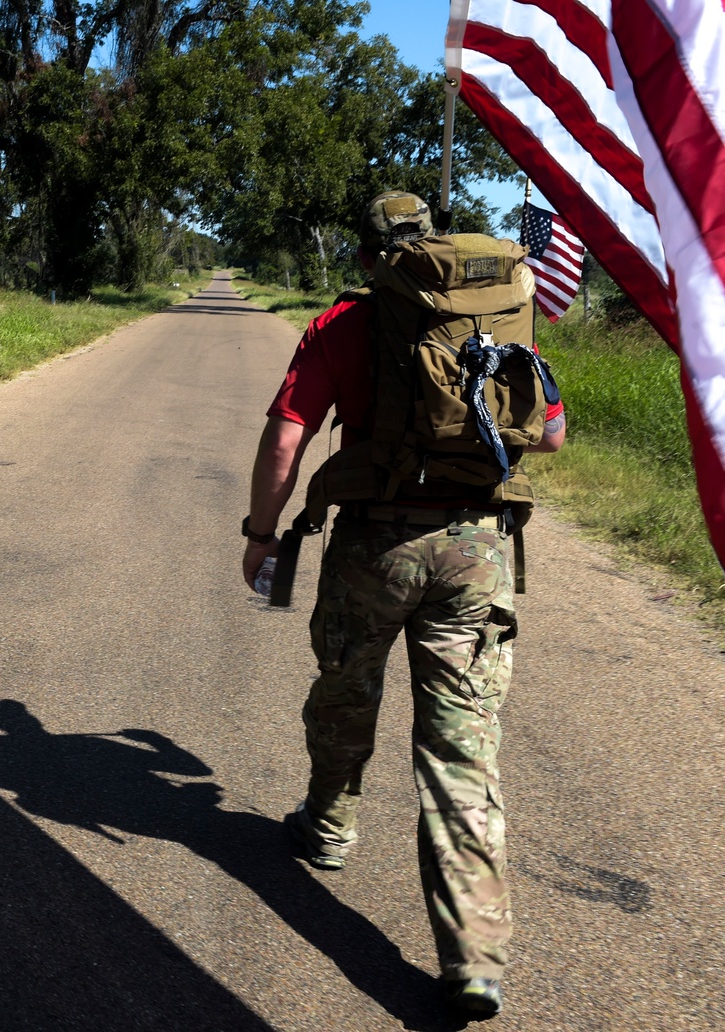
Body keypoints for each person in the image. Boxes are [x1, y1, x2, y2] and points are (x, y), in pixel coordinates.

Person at [241, 192, 566, 1018]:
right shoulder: (503, 311)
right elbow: (552, 433)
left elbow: (288, 433)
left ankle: (327, 828)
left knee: (347, 690)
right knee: (462, 749)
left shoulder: (344, 322)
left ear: (366, 254)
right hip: (476, 551)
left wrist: (262, 531)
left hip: (374, 548)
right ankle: (475, 959)